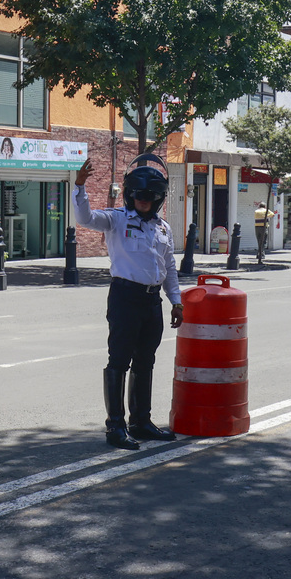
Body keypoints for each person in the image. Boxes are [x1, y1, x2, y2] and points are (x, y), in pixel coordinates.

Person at [75, 153, 184, 450]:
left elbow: (169, 267)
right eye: (137, 195)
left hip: (152, 301)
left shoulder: (163, 228)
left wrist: (176, 301)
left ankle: (141, 422)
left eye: (149, 197)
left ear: (158, 198)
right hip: (125, 297)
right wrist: (80, 187)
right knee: (119, 360)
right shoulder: (116, 219)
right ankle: (115, 426)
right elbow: (85, 218)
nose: (143, 201)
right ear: (129, 195)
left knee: (145, 361)